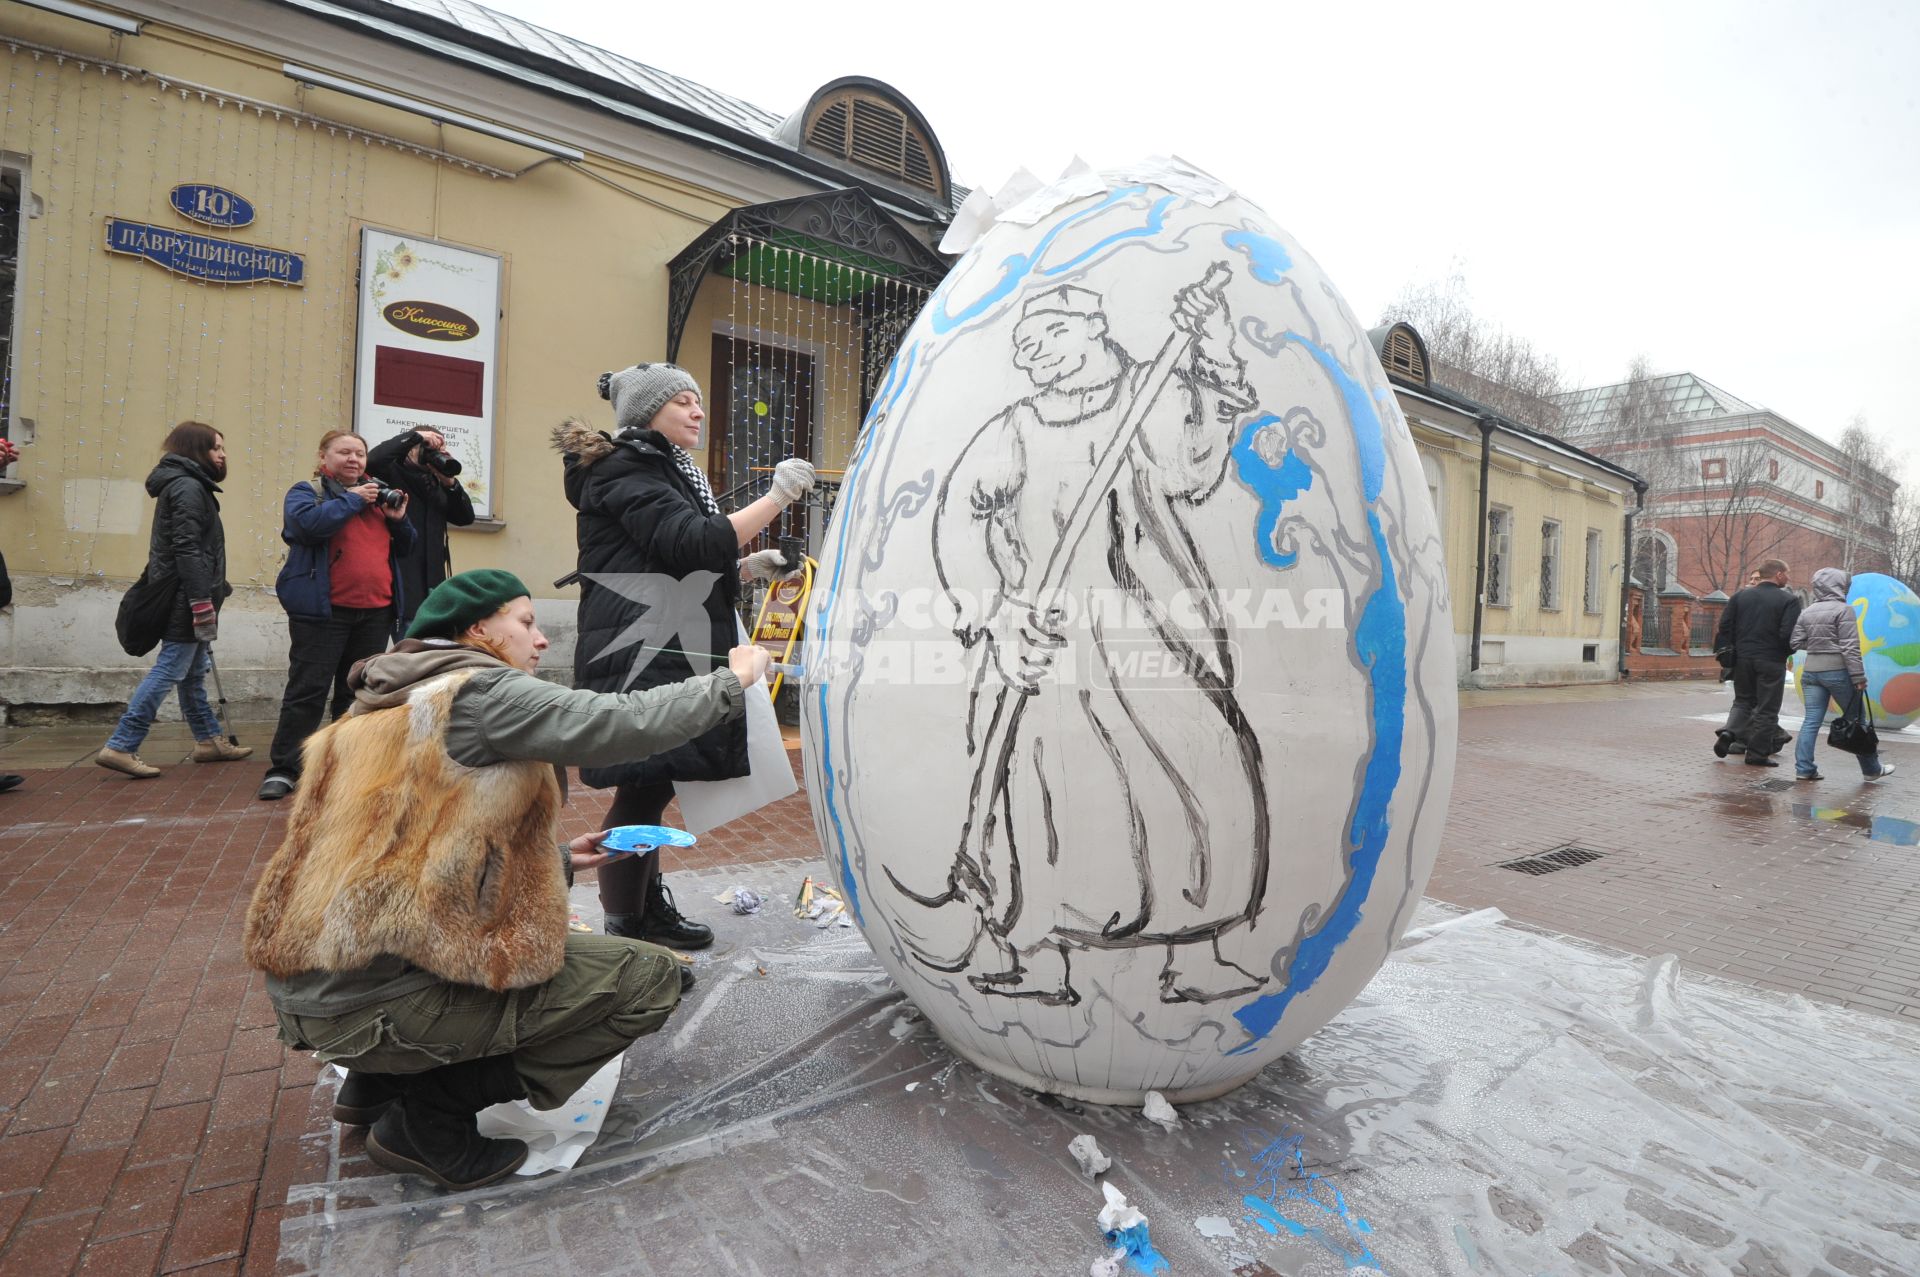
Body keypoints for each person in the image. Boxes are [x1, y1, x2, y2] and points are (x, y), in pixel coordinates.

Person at [243, 568, 772, 1191]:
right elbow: (618, 722)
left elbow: (410, 862)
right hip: (375, 1001)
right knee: (649, 980)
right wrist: (732, 680)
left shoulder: (377, 704)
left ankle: (377, 1083)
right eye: (525, 622)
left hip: (315, 990)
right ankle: (428, 1118)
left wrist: (561, 861)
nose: (540, 639)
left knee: (533, 956)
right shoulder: (477, 692)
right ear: (476, 630)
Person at [553, 364, 815, 951]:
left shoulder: (664, 469)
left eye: (699, 400)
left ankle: (643, 908)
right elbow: (692, 542)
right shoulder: (627, 466)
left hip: (664, 639)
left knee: (652, 783)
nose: (698, 411)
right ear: (647, 413)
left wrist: (745, 568)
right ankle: (628, 921)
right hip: (644, 647)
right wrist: (776, 498)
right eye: (683, 401)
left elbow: (674, 558)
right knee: (642, 785)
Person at [258, 431, 415, 801]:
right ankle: (285, 769)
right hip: (324, 612)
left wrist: (397, 519)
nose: (354, 459)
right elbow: (303, 528)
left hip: (375, 611)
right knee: (307, 691)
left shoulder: (378, 496)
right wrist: (350, 500)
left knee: (355, 693)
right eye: (344, 452)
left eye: (359, 453)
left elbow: (407, 547)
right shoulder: (307, 492)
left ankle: (344, 766)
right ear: (324, 458)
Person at [96, 422, 252, 778]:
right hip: (187, 597)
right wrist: (201, 599)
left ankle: (209, 741)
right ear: (196, 451)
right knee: (172, 668)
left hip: (192, 593)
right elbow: (186, 547)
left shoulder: (188, 485)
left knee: (193, 672)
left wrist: (215, 586)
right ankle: (122, 744)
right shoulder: (187, 487)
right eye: (216, 448)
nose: (223, 454)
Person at [1790, 567, 1894, 783]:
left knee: (1811, 721)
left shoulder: (1806, 611)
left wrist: (1819, 644)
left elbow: (1795, 642)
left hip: (1811, 672)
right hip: (1837, 672)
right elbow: (1850, 647)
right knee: (1858, 719)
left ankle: (1804, 769)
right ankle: (1872, 769)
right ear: (1839, 585)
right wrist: (1858, 677)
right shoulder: (1844, 610)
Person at [366, 427, 475, 631]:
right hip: (397, 579)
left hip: (433, 582)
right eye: (426, 447)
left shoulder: (436, 481)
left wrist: (450, 483)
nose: (431, 453)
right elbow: (372, 461)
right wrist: (416, 438)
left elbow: (465, 517)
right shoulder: (390, 471)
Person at [1713, 558, 1802, 767]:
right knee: (1767, 708)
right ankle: (1757, 754)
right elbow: (1788, 634)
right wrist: (1786, 652)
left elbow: (1725, 626)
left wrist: (1740, 645)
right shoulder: (1788, 600)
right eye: (1786, 573)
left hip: (1743, 659)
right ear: (1778, 574)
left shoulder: (1740, 596)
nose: (1788, 578)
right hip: (1771, 660)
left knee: (1742, 701)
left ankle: (1728, 732)